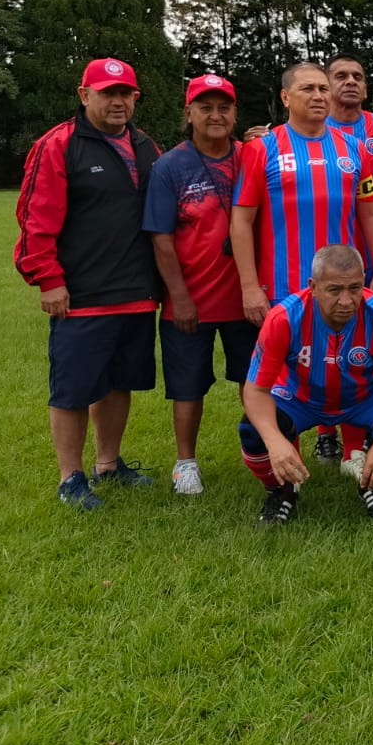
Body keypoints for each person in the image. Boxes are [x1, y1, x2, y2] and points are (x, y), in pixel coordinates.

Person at [15, 57, 161, 509]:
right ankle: (70, 479)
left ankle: (109, 464)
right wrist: (48, 280)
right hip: (80, 295)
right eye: (107, 93)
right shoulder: (59, 145)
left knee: (119, 382)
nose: (117, 101)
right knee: (74, 388)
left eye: (125, 94)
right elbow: (35, 221)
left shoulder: (145, 145)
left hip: (136, 293)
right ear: (85, 95)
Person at [230, 63, 373, 473]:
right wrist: (250, 286)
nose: (319, 95)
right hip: (283, 286)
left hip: (345, 286)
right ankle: (289, 463)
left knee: (353, 363)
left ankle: (353, 453)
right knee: (285, 377)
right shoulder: (262, 148)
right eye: (307, 89)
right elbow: (241, 220)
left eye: (323, 88)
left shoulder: (353, 148)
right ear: (285, 97)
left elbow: (371, 214)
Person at [238, 244, 373, 523]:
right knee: (253, 430)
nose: (346, 301)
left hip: (362, 399)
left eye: (355, 288)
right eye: (334, 290)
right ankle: (281, 492)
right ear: (313, 286)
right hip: (299, 400)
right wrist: (274, 440)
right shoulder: (283, 318)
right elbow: (255, 390)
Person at [142, 73, 254, 495]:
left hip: (246, 295)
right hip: (191, 300)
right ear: (188, 114)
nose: (216, 115)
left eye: (224, 107)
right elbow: (161, 237)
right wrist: (180, 297)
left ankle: (265, 448)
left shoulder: (251, 156)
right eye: (205, 107)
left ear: (235, 113)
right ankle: (185, 463)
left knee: (256, 380)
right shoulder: (170, 166)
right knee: (188, 386)